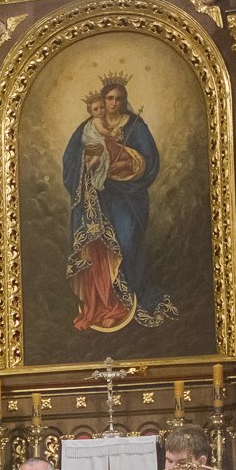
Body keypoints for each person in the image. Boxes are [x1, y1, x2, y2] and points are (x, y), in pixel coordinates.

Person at [61, 76, 168, 331]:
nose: (113, 103)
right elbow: (71, 161)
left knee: (127, 243)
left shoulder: (135, 126)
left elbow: (150, 161)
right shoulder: (88, 126)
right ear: (102, 100)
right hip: (96, 198)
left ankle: (127, 300)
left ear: (124, 100)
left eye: (119, 99)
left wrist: (128, 162)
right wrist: (88, 162)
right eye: (109, 98)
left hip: (126, 197)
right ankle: (102, 304)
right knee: (98, 251)